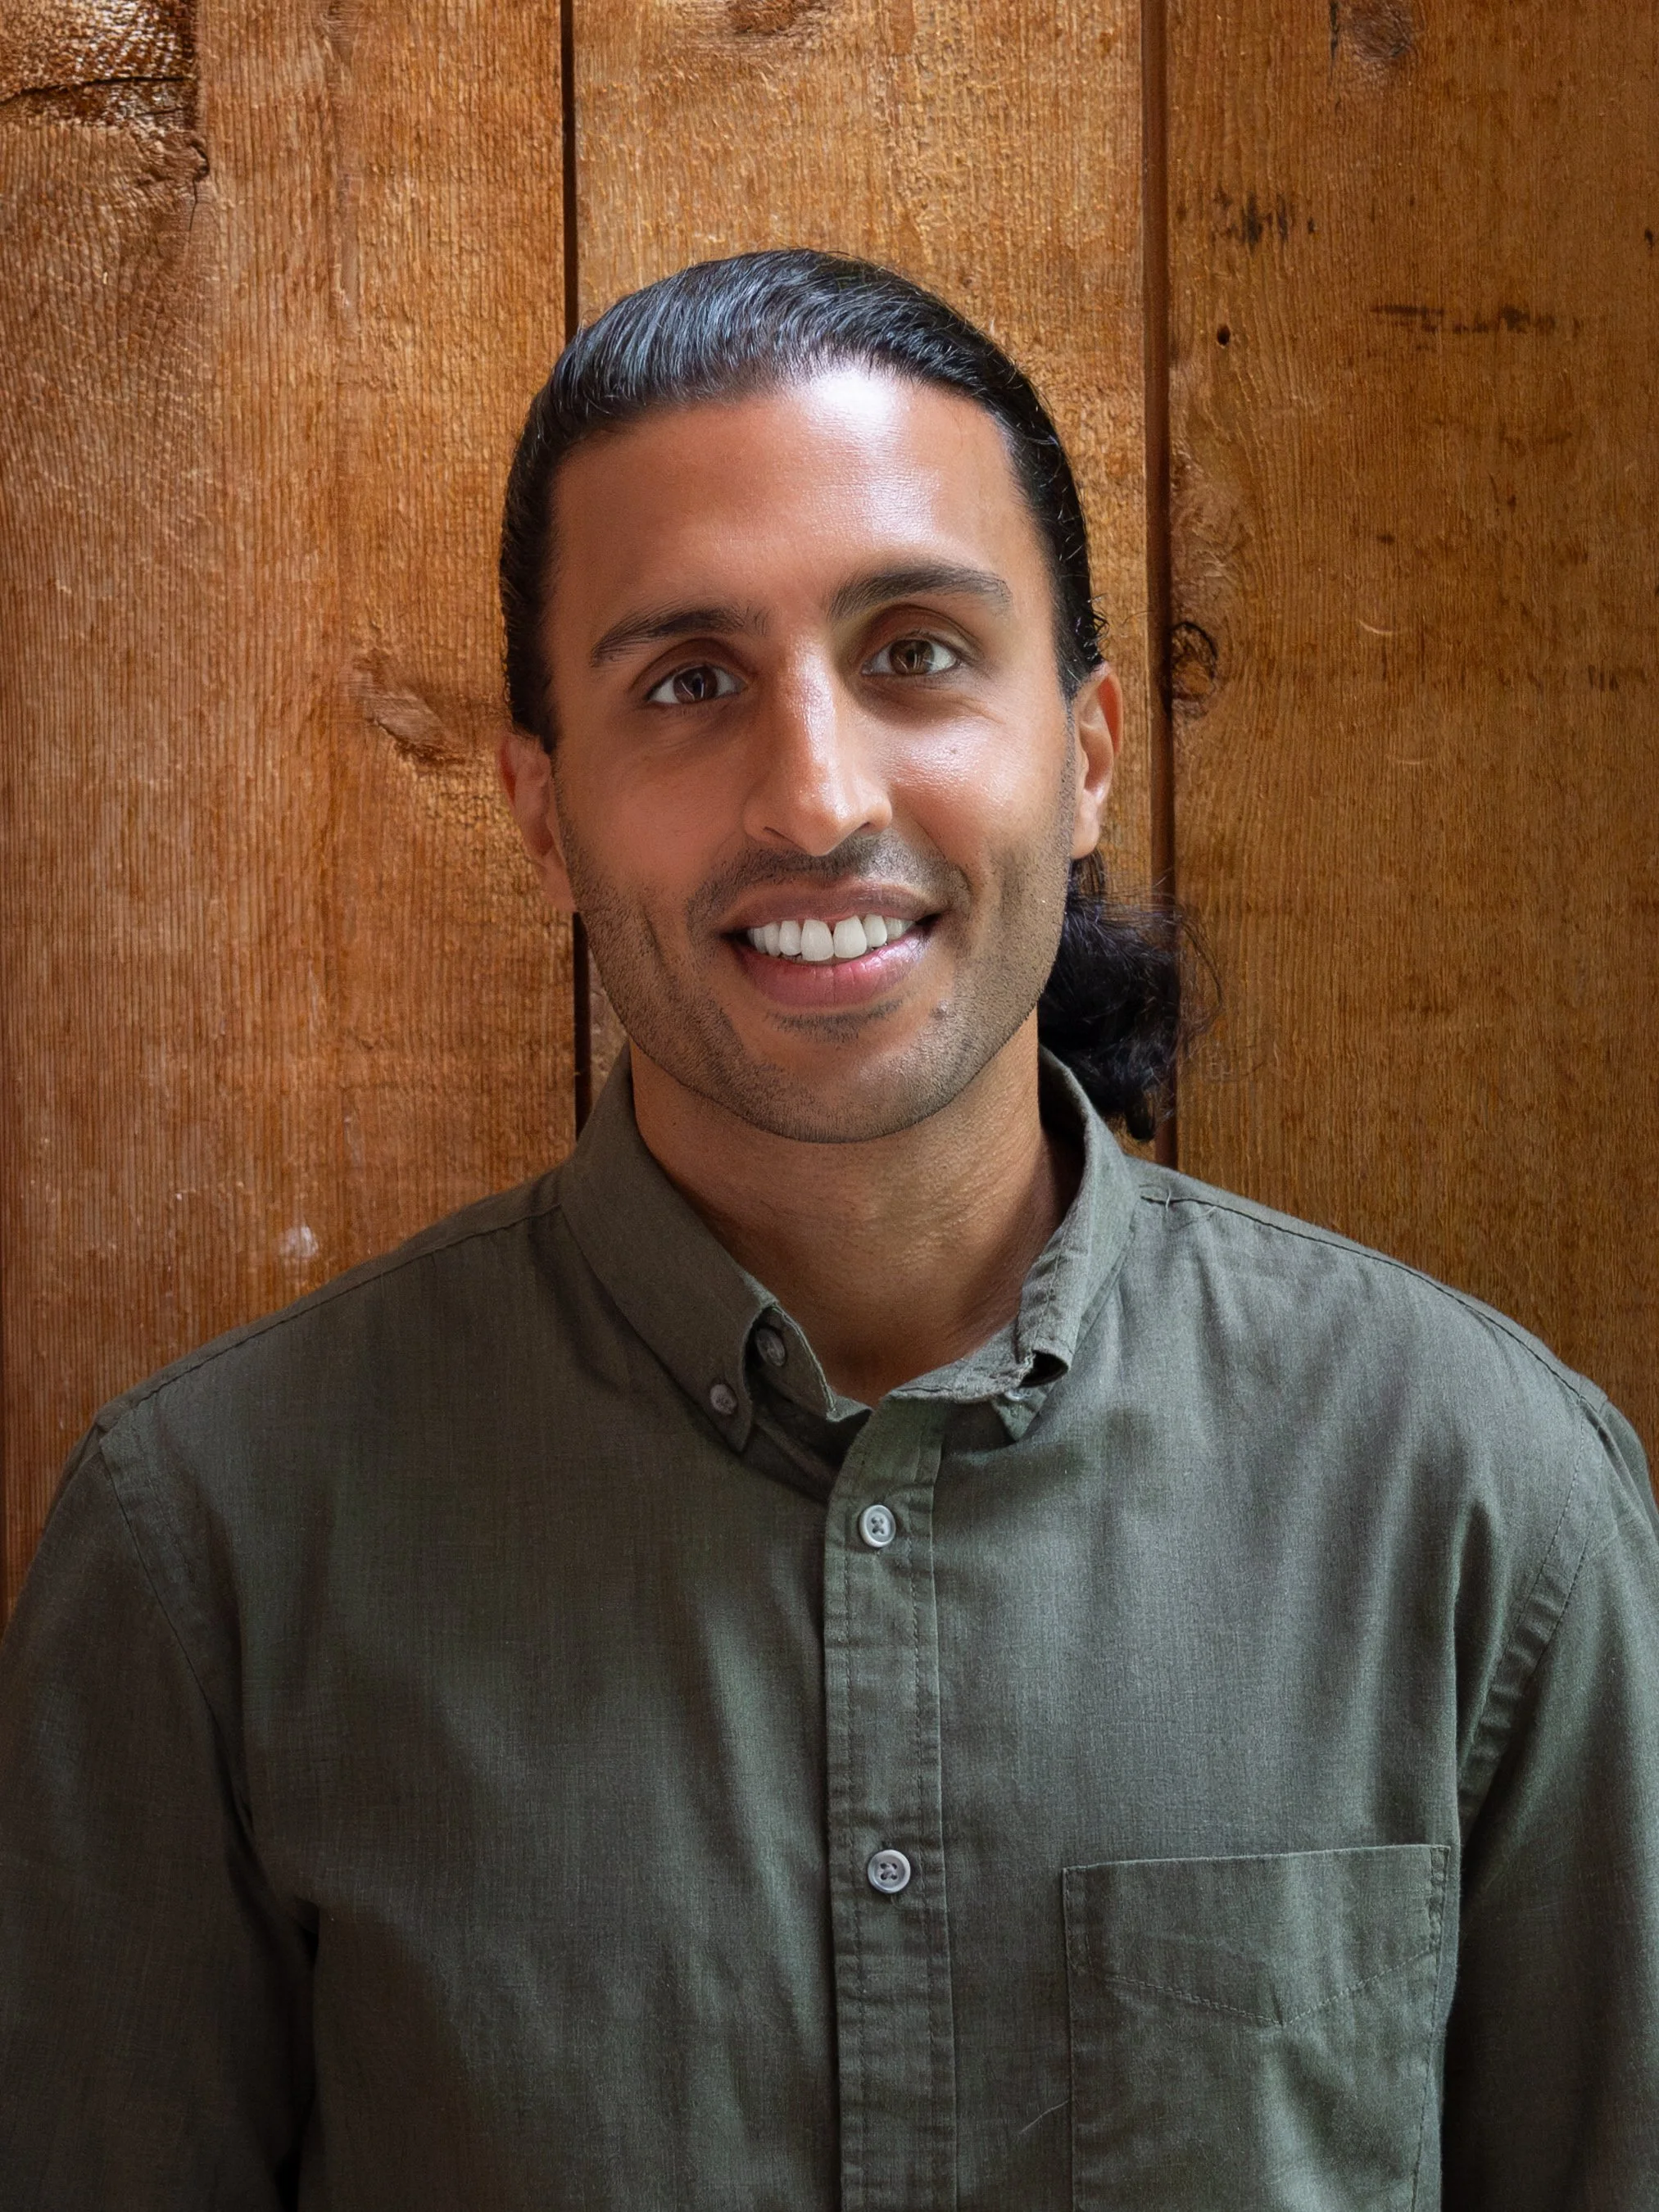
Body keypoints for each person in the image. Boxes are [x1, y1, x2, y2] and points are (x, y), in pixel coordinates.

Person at [0, 250, 1654, 2210]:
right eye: (687, 684)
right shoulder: (212, 1557)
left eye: (918, 653)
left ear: (1091, 747)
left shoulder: (1481, 1505)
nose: (814, 793)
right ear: (545, 810)